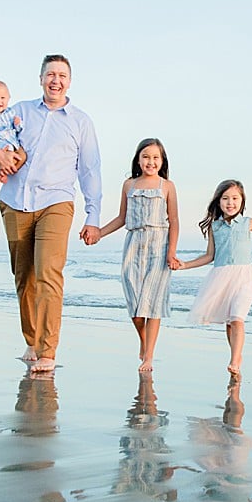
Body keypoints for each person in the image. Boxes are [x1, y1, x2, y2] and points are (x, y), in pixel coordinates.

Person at [0, 54, 103, 373]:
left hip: (57, 202)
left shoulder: (80, 121)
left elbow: (90, 170)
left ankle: (48, 350)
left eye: (62, 75)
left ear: (69, 81)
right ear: (41, 79)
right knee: (24, 276)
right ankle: (32, 340)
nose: (56, 80)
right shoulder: (21, 112)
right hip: (15, 201)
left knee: (49, 273)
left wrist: (92, 217)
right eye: (50, 74)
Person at [177, 179, 252, 376]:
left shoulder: (248, 223)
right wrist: (185, 265)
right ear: (218, 202)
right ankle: (236, 354)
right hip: (221, 277)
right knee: (229, 321)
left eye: (235, 198)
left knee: (237, 318)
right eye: (225, 198)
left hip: (245, 277)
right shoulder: (214, 227)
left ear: (242, 201)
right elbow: (209, 256)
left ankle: (235, 360)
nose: (230, 203)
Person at [97, 138, 180, 372]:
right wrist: (99, 234)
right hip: (133, 244)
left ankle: (149, 356)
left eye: (155, 157)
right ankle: (144, 342)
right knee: (134, 302)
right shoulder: (129, 185)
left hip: (159, 245)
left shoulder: (167, 186)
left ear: (162, 161)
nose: (150, 161)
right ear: (138, 159)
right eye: (146, 156)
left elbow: (174, 221)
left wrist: (171, 252)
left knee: (153, 304)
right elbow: (121, 218)